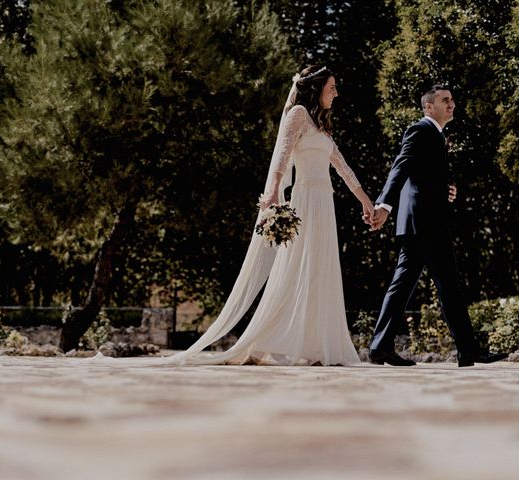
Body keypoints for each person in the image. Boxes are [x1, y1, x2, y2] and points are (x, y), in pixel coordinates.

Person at [156, 65, 375, 366]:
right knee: (296, 267)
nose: (336, 92)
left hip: (325, 204)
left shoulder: (323, 125)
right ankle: (266, 342)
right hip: (304, 200)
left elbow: (342, 167)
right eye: (332, 86)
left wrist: (366, 202)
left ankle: (314, 345)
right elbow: (282, 157)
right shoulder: (298, 114)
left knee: (320, 269)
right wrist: (272, 193)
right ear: (316, 87)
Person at [367, 85, 508, 367]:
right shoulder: (420, 130)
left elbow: (424, 175)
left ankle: (380, 346)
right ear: (428, 107)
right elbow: (401, 166)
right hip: (425, 221)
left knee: (407, 285)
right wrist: (384, 204)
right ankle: (469, 351)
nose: (452, 104)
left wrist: (447, 187)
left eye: (453, 100)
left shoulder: (437, 135)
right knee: (448, 286)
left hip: (423, 220)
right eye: (445, 100)